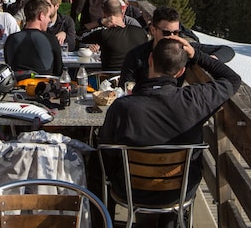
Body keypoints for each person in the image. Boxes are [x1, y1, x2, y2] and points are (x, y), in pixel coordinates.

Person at [99, 36, 242, 227]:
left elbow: (105, 149)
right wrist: (196, 54)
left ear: (150, 60)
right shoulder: (196, 99)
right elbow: (232, 79)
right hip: (180, 190)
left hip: (130, 190)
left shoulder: (122, 107)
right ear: (181, 71)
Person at [120, 6, 235, 87]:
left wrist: (211, 59)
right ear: (153, 30)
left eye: (176, 32)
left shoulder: (182, 49)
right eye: (166, 33)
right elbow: (126, 86)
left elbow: (227, 50)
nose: (172, 37)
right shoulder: (136, 55)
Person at [80, 0, 149, 70]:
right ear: (122, 11)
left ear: (104, 13)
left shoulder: (103, 34)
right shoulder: (141, 32)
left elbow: (78, 36)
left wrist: (100, 22)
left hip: (109, 78)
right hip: (135, 78)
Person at [3, 0, 63, 77]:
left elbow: (9, 64)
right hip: (43, 86)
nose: (49, 20)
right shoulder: (50, 39)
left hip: (16, 85)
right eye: (48, 16)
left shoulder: (11, 39)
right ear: (41, 16)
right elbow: (59, 70)